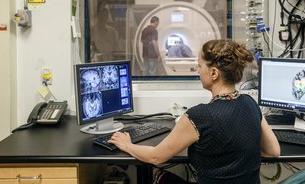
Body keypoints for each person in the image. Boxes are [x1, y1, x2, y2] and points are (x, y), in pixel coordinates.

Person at [109, 39, 280, 183]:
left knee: (160, 176)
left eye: (199, 66)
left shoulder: (199, 116)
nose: (198, 71)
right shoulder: (250, 104)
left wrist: (127, 145)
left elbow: (156, 157)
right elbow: (273, 152)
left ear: (214, 73)